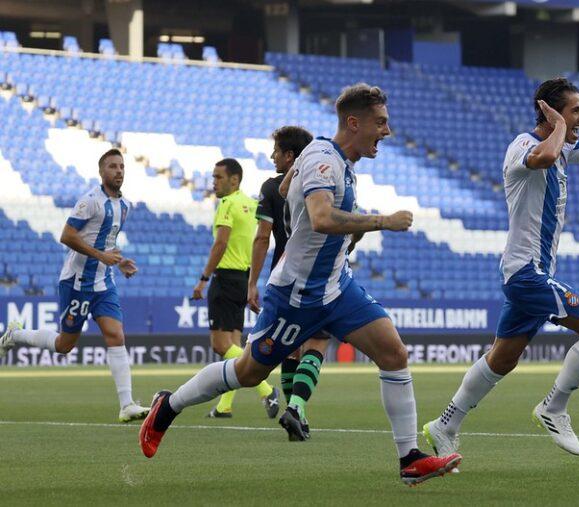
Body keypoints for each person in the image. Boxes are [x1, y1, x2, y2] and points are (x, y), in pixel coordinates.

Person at [140, 83, 462, 486]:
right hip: (296, 296)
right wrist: (381, 221)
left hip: (336, 286)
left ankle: (409, 459)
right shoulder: (325, 161)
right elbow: (323, 218)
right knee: (249, 372)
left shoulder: (332, 159)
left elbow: (290, 188)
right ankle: (167, 407)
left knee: (394, 353)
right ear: (353, 122)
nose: (387, 131)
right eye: (381, 123)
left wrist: (339, 227)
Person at [423, 77, 579, 459]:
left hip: (531, 272)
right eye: (574, 109)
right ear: (549, 114)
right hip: (527, 273)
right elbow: (544, 158)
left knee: (502, 358)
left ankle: (445, 423)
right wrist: (564, 126)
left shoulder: (563, 148)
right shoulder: (525, 145)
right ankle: (553, 407)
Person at [0, 149, 149, 422]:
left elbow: (105, 242)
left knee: (116, 335)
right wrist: (102, 256)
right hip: (77, 282)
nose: (119, 171)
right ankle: (15, 335)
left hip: (104, 281)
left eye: (122, 166)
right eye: (113, 166)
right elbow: (67, 236)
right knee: (64, 344)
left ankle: (126, 404)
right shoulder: (89, 201)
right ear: (102, 172)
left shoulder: (124, 206)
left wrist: (119, 260)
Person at [246, 125, 332, 440]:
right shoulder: (323, 182)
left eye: (276, 152)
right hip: (319, 276)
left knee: (289, 351)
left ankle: (296, 413)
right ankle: (298, 409)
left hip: (284, 277)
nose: (272, 157)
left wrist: (253, 282)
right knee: (317, 344)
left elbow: (262, 237)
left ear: (290, 155)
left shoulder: (271, 189)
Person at [191, 158, 279, 419]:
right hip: (243, 279)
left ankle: (266, 389)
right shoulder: (252, 205)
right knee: (233, 344)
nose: (214, 182)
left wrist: (204, 278)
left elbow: (221, 243)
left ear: (234, 180)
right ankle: (224, 406)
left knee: (220, 344)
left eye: (218, 177)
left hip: (225, 278)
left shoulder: (227, 204)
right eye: (213, 177)